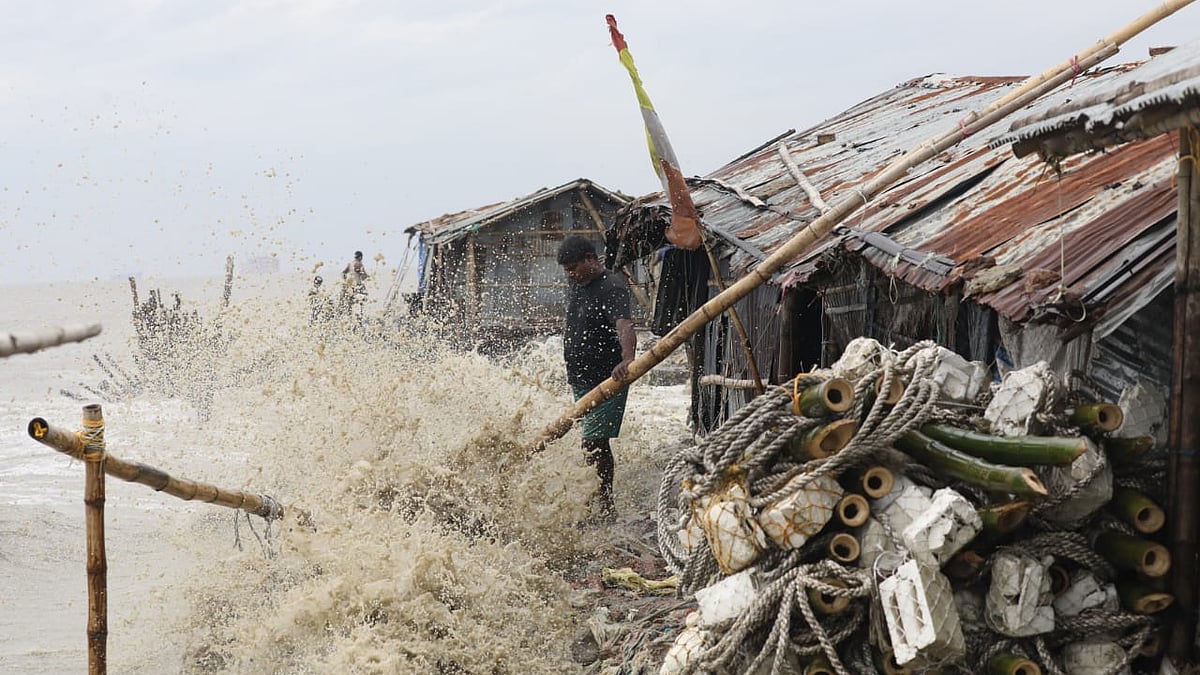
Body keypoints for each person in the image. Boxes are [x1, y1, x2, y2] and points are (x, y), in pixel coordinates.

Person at [557, 235, 636, 522]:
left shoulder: (612, 286)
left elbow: (624, 324)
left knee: (593, 442)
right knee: (593, 442)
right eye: (567, 270)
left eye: (574, 268)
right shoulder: (577, 284)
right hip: (580, 378)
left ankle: (605, 506)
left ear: (590, 259)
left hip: (608, 379)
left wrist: (627, 358)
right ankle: (599, 502)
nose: (571, 274)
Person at [340, 251, 369, 316]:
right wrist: (367, 276)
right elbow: (363, 276)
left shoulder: (350, 264)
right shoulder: (359, 264)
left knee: (350, 302)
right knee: (361, 301)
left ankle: (349, 315)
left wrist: (345, 280)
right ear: (360, 257)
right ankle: (359, 316)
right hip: (357, 286)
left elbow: (343, 273)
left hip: (350, 286)